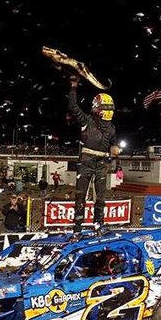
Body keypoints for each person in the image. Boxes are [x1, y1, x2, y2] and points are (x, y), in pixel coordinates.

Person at [68, 75, 119, 232]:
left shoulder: (111, 128)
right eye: (106, 109)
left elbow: (114, 144)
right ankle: (77, 226)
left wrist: (115, 148)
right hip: (86, 161)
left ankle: (99, 223)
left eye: (109, 109)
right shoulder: (87, 121)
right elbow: (73, 107)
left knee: (101, 196)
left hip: (102, 162)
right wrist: (73, 87)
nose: (108, 112)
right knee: (80, 194)